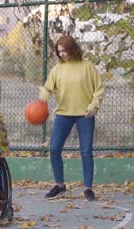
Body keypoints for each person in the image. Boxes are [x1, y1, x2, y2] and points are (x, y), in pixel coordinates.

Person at [39, 35, 105, 201]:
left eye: (64, 50)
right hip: (63, 115)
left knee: (86, 151)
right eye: (59, 51)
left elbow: (99, 89)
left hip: (85, 115)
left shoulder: (87, 66)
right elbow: (47, 88)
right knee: (54, 149)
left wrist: (93, 107)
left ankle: (88, 189)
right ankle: (60, 186)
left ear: (72, 48)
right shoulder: (57, 70)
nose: (62, 54)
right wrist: (43, 98)